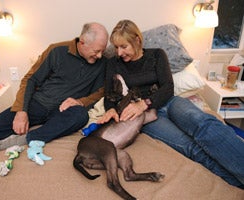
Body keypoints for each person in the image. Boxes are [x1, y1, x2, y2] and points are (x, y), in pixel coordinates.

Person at [97, 19, 244, 188]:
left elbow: (168, 87)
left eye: (124, 46)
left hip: (169, 102)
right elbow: (110, 95)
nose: (119, 52)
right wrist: (110, 110)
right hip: (146, 117)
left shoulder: (157, 55)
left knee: (204, 125)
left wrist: (144, 103)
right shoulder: (113, 63)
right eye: (116, 47)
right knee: (190, 148)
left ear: (137, 40)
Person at [0, 22, 109, 158]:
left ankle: (26, 139)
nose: (100, 56)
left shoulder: (102, 63)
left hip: (63, 111)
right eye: (97, 51)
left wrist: (79, 101)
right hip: (38, 104)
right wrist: (22, 111)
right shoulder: (56, 50)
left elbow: (100, 92)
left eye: (102, 51)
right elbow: (30, 80)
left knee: (80, 115)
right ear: (82, 42)